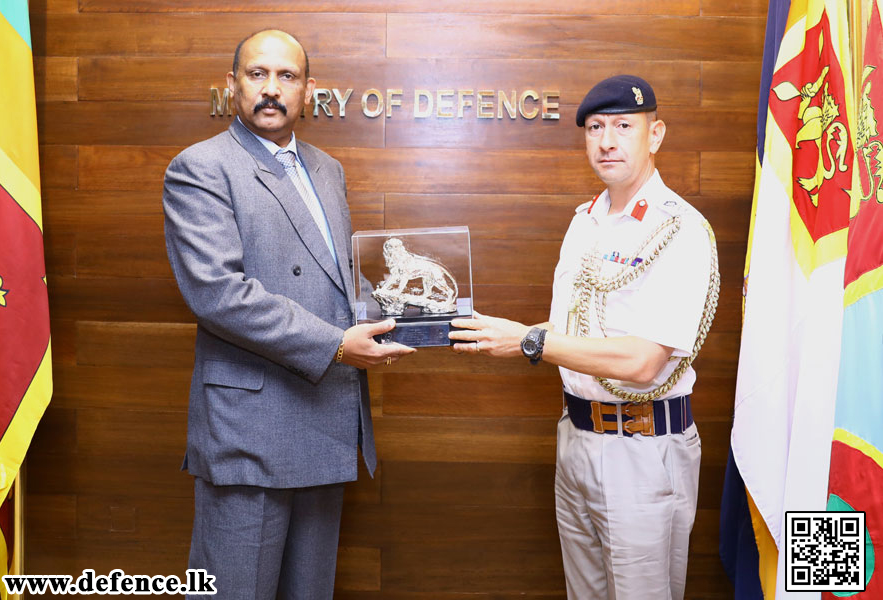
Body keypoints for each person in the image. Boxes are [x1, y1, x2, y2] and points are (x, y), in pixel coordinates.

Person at [163, 29, 414, 600]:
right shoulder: (200, 168)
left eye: (287, 76)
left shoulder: (327, 169)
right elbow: (218, 293)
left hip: (325, 418)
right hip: (250, 432)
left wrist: (414, 314)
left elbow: (338, 280)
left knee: (310, 591)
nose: (271, 89)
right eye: (257, 74)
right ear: (232, 85)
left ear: (309, 90)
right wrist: (336, 344)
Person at [450, 74, 719, 600]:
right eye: (595, 127)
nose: (608, 141)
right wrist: (493, 331)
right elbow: (576, 324)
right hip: (577, 437)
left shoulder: (679, 229)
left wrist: (528, 343)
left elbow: (644, 361)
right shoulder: (586, 221)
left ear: (655, 134)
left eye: (623, 126)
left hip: (643, 449)